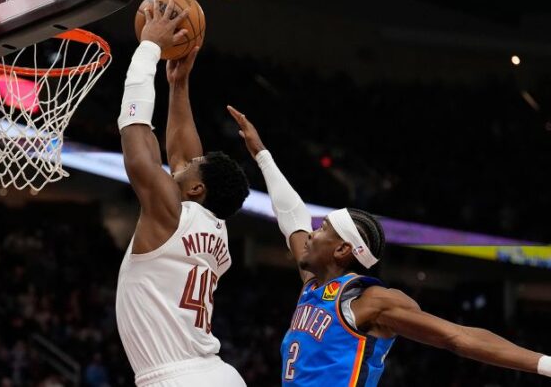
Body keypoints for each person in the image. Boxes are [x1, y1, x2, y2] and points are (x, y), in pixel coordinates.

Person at [227, 105, 551, 386]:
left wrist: (545, 363)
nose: (311, 234)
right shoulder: (313, 287)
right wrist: (262, 155)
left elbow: (457, 337)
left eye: (322, 229)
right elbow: (293, 219)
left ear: (342, 250)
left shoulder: (372, 302)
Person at [114, 0, 249, 387]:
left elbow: (137, 133)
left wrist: (149, 49)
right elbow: (188, 157)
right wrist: (178, 84)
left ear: (196, 189)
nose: (178, 166)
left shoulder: (171, 216)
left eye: (184, 172)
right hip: (214, 374)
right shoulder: (215, 232)